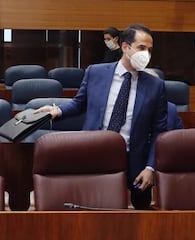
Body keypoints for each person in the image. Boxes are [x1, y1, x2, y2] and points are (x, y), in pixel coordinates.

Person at [37, 24, 167, 210]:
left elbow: (159, 131)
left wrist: (150, 167)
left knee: (140, 216)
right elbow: (79, 103)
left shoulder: (156, 86)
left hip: (135, 160)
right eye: (141, 48)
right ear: (125, 47)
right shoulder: (96, 72)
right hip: (93, 151)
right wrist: (59, 110)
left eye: (149, 50)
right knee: (88, 206)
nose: (146, 54)